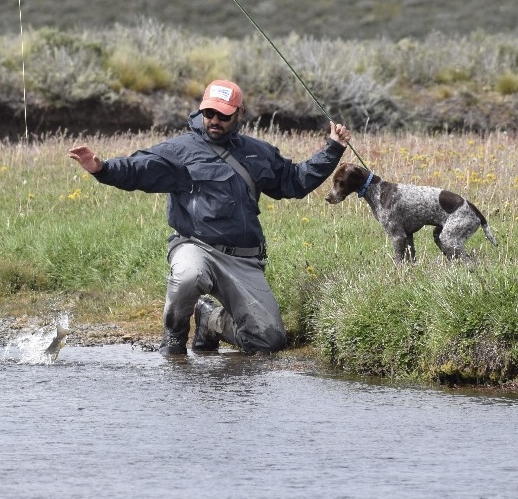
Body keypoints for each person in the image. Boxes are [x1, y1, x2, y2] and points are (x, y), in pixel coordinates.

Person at [68, 79, 351, 356]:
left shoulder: (258, 152)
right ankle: (175, 335)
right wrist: (100, 168)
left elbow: (295, 181)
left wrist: (333, 149)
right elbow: (136, 168)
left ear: (239, 114)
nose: (214, 120)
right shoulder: (179, 150)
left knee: (269, 341)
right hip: (195, 247)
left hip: (244, 259)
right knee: (188, 275)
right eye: (209, 113)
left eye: (223, 114)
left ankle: (210, 320)